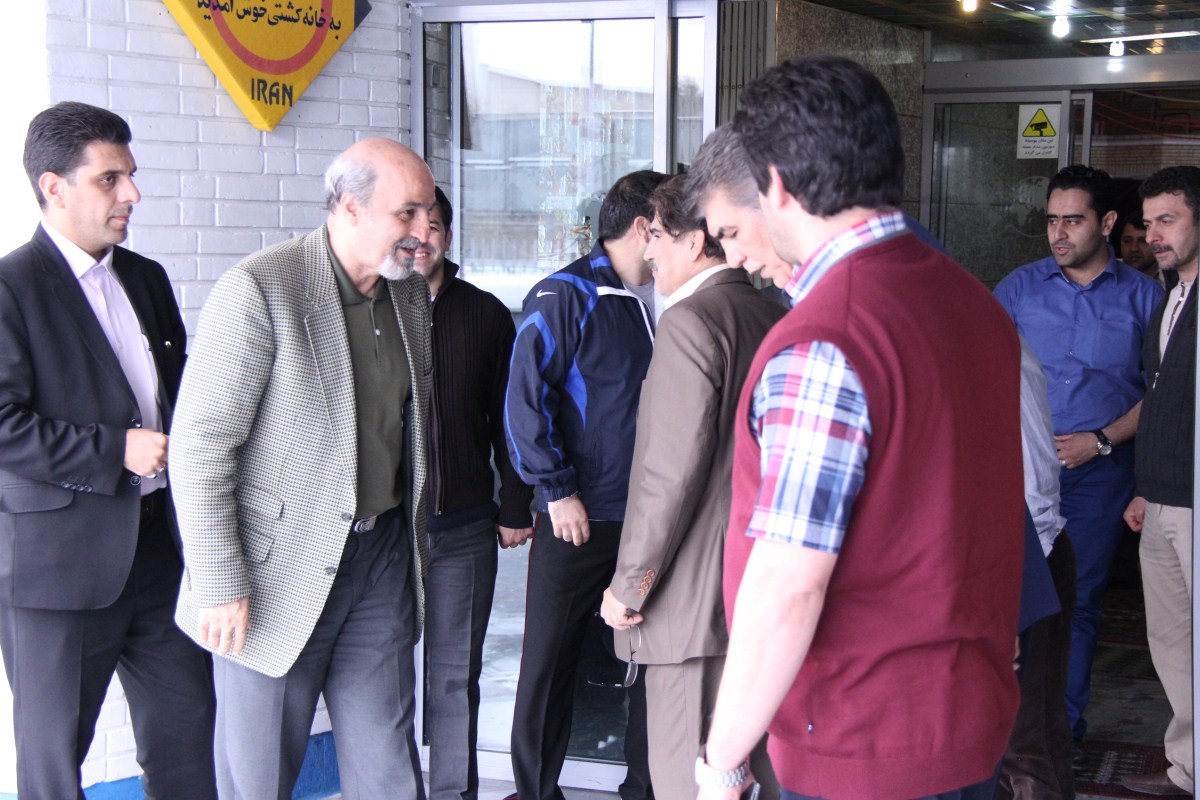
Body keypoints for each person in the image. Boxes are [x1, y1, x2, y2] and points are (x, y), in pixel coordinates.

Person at [698, 55, 1026, 800]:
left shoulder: (827, 339)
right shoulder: (974, 302)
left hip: (863, 740)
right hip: (966, 721)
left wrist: (721, 759)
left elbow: (788, 586)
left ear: (777, 184)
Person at [170, 138, 435, 800]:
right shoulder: (261, 289)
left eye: (427, 214)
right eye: (406, 213)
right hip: (272, 574)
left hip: (379, 561)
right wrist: (218, 581)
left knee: (389, 767)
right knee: (258, 777)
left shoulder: (408, 295)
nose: (424, 231)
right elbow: (200, 445)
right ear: (350, 207)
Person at [0, 101, 217, 800]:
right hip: (58, 572)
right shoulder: (10, 288)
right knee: (54, 763)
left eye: (130, 175)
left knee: (189, 740)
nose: (132, 194)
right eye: (109, 179)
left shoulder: (146, 278)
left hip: (161, 554)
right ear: (54, 188)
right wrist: (113, 450)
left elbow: (178, 398)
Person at [599, 174, 784, 800]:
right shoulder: (773, 313)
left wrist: (629, 586)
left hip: (689, 608)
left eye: (656, 234)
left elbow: (668, 475)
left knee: (687, 781)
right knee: (756, 777)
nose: (648, 250)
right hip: (757, 592)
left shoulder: (690, 322)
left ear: (696, 240)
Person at [505, 169, 666, 800]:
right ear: (643, 228)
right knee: (550, 661)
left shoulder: (663, 297)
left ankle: (643, 790)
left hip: (647, 519)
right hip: (580, 517)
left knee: (652, 660)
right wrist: (556, 490)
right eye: (669, 225)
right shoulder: (567, 294)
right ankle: (535, 793)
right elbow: (525, 400)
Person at [994, 165, 1163, 751]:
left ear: (1107, 222)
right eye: (1051, 220)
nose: (1058, 233)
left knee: (1079, 599)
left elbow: (1163, 391)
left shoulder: (1145, 297)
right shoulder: (1018, 289)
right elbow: (982, 367)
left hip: (1099, 472)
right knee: (1010, 595)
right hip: (1021, 471)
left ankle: (1059, 733)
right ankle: (1008, 730)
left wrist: (1103, 439)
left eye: (1073, 220)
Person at [416, 186, 534, 800]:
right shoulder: (368, 310)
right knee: (377, 679)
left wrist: (515, 504)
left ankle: (453, 794)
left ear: (449, 236)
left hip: (462, 527)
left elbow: (507, 419)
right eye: (409, 223)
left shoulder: (484, 314)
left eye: (434, 225)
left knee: (454, 675)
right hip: (385, 531)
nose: (422, 237)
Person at [1119, 165, 1200, 799]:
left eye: (1167, 221)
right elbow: (1161, 399)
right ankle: (1188, 766)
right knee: (1171, 642)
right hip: (1164, 496)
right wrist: (1145, 486)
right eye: (1149, 223)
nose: (1153, 236)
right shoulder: (1169, 295)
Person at [997, 337, 1077, 800]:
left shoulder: (995, 343)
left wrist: (1025, 564)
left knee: (1028, 740)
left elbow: (1034, 477)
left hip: (1027, 554)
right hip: (993, 556)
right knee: (992, 739)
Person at [1119, 211, 1161, 283]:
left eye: (1143, 241)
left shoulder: (1175, 277)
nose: (1133, 248)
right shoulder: (1107, 275)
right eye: (1127, 241)